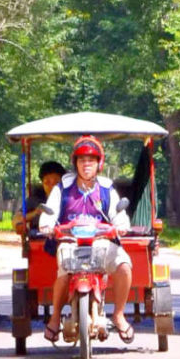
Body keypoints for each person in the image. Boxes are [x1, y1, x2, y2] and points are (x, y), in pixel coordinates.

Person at [39, 136, 134, 346]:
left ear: (99, 163)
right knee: (63, 273)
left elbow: (119, 214)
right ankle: (55, 318)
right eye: (82, 160)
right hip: (70, 242)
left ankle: (118, 315)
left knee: (125, 266)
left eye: (91, 160)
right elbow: (50, 213)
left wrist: (120, 225)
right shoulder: (62, 188)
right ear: (75, 163)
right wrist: (47, 225)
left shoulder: (107, 188)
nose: (86, 164)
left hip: (101, 242)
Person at [16, 158, 64, 245]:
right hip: (40, 240)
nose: (52, 186)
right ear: (42, 183)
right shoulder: (34, 200)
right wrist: (35, 213)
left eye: (56, 183)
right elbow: (16, 220)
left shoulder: (70, 198)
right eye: (47, 182)